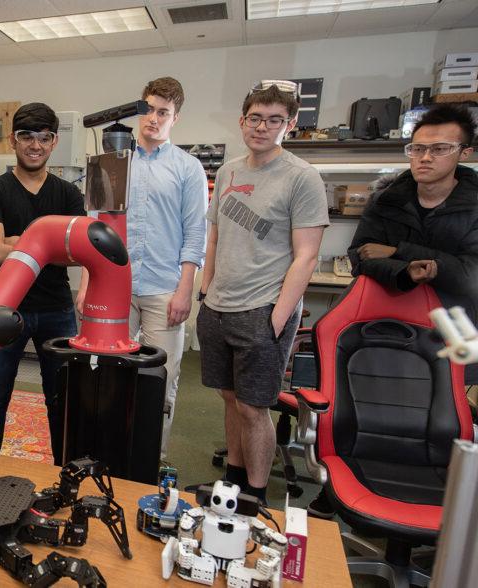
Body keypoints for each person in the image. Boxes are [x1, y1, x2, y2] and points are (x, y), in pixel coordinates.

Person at [306, 104, 477, 519]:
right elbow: (362, 256)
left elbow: (471, 274)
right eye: (417, 148)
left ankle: (444, 511)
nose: (424, 158)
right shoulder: (388, 198)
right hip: (385, 324)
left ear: (465, 153)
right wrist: (410, 272)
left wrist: (406, 254)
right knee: (371, 403)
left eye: (439, 148)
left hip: (455, 330)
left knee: (444, 417)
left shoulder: (474, 204)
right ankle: (350, 487)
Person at [196, 82, 328, 503]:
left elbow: (306, 256)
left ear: (288, 125)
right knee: (230, 399)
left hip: (262, 309)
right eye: (255, 118)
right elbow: (215, 237)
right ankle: (232, 484)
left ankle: (254, 498)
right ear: (242, 121)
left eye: (274, 120)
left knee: (255, 408)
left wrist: (277, 316)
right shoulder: (230, 170)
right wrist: (205, 290)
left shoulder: (302, 177)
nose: (262, 127)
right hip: (218, 305)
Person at [0, 102, 85, 455]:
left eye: (44, 137)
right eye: (26, 136)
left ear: (54, 142)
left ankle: (63, 467)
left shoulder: (69, 194)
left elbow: (76, 253)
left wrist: (18, 242)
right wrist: (48, 243)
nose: (35, 145)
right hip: (4, 307)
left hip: (56, 308)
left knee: (61, 397)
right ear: (13, 140)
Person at [124, 77, 208, 458]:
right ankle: (114, 449)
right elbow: (96, 226)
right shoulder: (115, 161)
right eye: (148, 109)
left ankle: (149, 460)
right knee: (110, 373)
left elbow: (195, 234)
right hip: (116, 287)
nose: (153, 119)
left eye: (163, 112)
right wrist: (90, 283)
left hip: (164, 289)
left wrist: (185, 290)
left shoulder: (188, 168)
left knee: (160, 380)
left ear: (176, 118)